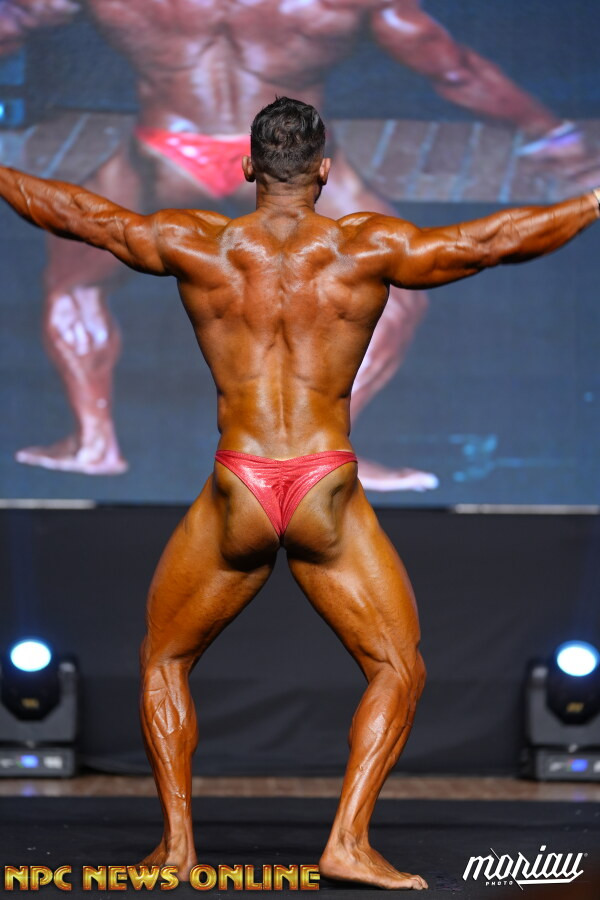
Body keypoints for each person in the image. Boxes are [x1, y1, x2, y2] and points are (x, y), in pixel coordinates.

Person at [1, 97, 598, 890]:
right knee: (397, 667)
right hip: (324, 483)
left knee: (165, 658)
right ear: (324, 169)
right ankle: (347, 841)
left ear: (248, 166)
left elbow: (81, 216)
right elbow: (491, 242)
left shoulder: (196, 241)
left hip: (239, 482)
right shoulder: (366, 246)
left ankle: (176, 848)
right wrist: (593, 199)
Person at [3, 0, 598, 490]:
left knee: (75, 283)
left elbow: (14, 23)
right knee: (395, 286)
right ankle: (321, 451)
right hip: (297, 163)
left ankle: (93, 445)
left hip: (169, 150)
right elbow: (453, 71)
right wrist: (549, 131)